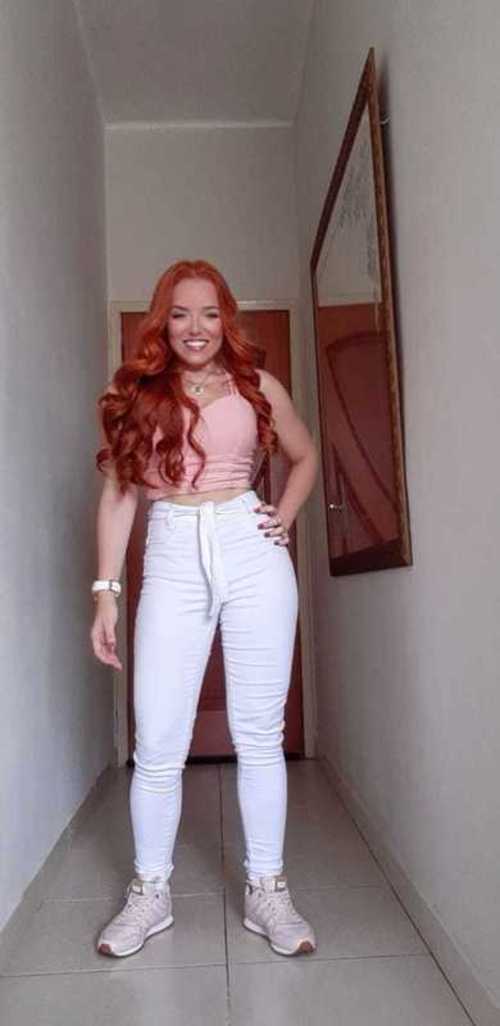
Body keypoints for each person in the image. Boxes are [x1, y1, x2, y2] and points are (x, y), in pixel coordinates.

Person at [90, 259, 319, 958]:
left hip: (250, 546)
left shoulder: (257, 386)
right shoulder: (136, 393)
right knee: (158, 739)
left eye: (211, 313)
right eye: (182, 313)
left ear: (227, 320)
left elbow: (305, 456)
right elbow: (119, 495)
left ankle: (267, 890)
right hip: (172, 551)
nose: (197, 327)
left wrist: (282, 515)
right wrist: (105, 593)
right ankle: (150, 893)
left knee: (259, 733)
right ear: (162, 321)